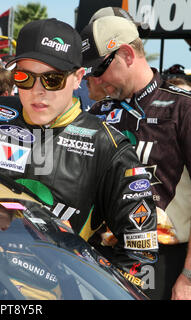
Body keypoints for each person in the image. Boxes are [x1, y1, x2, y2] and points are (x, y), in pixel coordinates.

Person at [0, 18, 158, 292]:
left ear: (78, 78)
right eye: (24, 77)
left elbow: (141, 254)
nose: (38, 90)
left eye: (53, 79)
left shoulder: (110, 148)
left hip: (42, 290)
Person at [81, 15, 191, 300]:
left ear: (127, 54)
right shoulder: (96, 114)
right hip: (100, 257)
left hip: (165, 262)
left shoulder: (183, 109)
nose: (92, 79)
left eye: (98, 69)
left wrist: (188, 278)